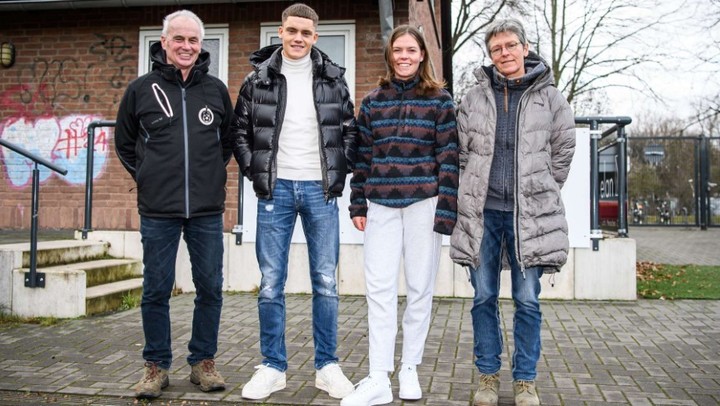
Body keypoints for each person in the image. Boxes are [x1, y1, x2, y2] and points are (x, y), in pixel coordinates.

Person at [230, 3, 356, 401]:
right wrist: (256, 171)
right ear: (280, 33)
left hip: (320, 191)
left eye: (305, 32)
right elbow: (239, 132)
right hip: (276, 190)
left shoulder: (334, 81)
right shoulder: (258, 80)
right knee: (270, 283)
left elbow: (349, 131)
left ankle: (327, 366)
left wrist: (339, 171)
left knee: (326, 281)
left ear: (314, 36)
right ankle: (272, 367)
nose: (298, 38)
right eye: (291, 31)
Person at [449, 18, 576, 406]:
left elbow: (563, 148)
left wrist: (543, 188)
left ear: (525, 47)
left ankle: (525, 380)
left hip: (529, 218)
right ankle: (487, 377)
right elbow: (461, 152)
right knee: (483, 297)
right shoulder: (473, 99)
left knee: (527, 299)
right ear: (490, 55)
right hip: (483, 215)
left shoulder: (550, 98)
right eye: (496, 49)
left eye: (510, 46)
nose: (504, 53)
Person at [114, 9, 233, 400]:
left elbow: (227, 142)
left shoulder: (215, 90)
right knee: (156, 289)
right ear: (164, 42)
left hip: (206, 209)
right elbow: (126, 143)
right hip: (158, 209)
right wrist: (148, 175)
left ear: (201, 46)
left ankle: (203, 362)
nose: (186, 46)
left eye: (193, 40)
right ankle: (156, 367)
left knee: (211, 287)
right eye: (178, 39)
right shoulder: (140, 89)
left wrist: (210, 174)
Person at [341, 25, 459, 406]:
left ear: (422, 55)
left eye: (411, 50)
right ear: (390, 55)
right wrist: (357, 203)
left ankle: (409, 367)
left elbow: (449, 160)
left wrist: (446, 211)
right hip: (380, 205)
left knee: (421, 288)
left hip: (424, 203)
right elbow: (362, 157)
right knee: (379, 289)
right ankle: (378, 376)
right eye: (398, 50)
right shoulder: (372, 101)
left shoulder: (441, 102)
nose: (404, 56)